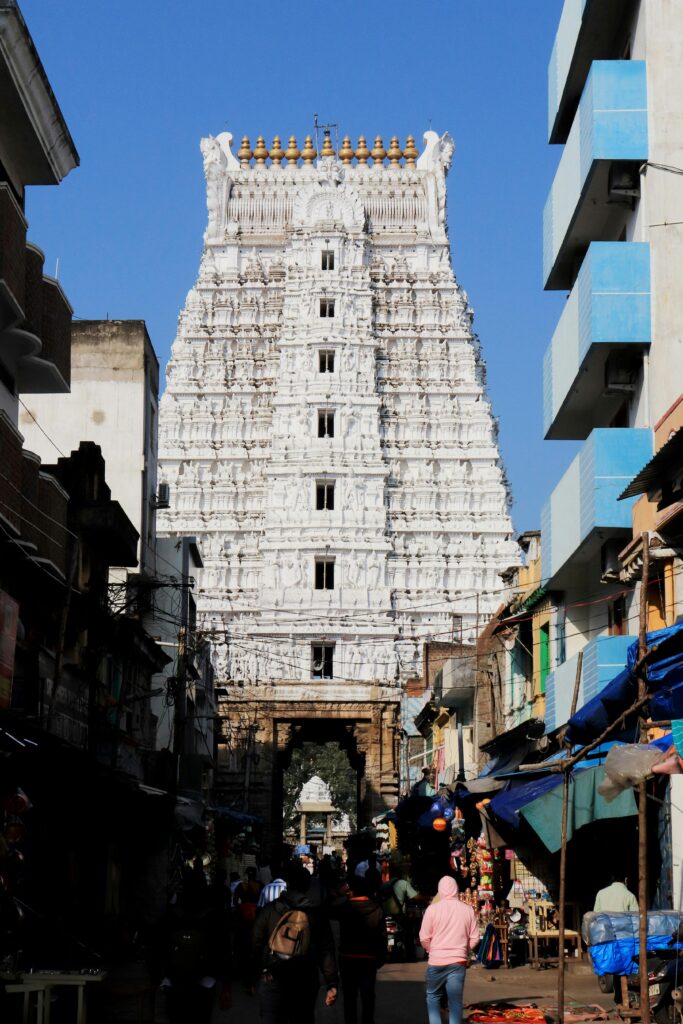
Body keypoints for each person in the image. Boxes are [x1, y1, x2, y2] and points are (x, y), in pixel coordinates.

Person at [252, 861, 338, 1023]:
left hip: (273, 977)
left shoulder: (269, 910)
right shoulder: (316, 914)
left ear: (288, 883)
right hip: (305, 977)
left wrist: (255, 974)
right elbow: (326, 950)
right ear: (307, 887)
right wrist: (331, 982)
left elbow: (255, 942)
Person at [419, 876, 480, 1024]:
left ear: (440, 890)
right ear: (456, 889)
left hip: (436, 961)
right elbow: (475, 938)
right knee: (455, 1002)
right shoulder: (467, 909)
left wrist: (432, 950)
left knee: (433, 997)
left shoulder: (432, 910)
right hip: (458, 962)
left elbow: (424, 938)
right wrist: (463, 950)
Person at [332, 874, 387, 1024]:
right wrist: (381, 958)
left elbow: (327, 908)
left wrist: (339, 893)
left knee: (350, 997)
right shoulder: (377, 908)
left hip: (347, 957)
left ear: (352, 890)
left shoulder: (344, 908)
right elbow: (382, 936)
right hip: (369, 958)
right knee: (368, 996)